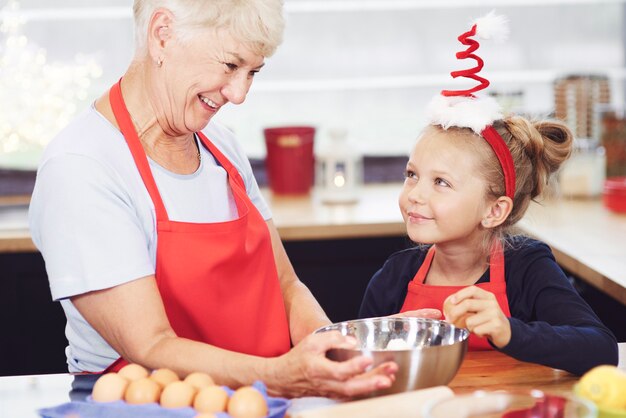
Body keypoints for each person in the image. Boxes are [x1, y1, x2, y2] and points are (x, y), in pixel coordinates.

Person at [29, 0, 438, 399]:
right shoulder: (83, 166)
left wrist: (343, 350)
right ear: (162, 35)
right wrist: (279, 376)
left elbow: (286, 287)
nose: (239, 94)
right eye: (230, 65)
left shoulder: (219, 145)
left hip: (265, 400)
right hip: (147, 407)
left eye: (253, 72)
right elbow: (151, 346)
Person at [358, 12, 618, 376]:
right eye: (412, 175)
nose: (414, 194)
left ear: (495, 211)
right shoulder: (394, 276)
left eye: (441, 182)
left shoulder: (527, 267)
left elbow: (600, 349)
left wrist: (509, 331)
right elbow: (359, 361)